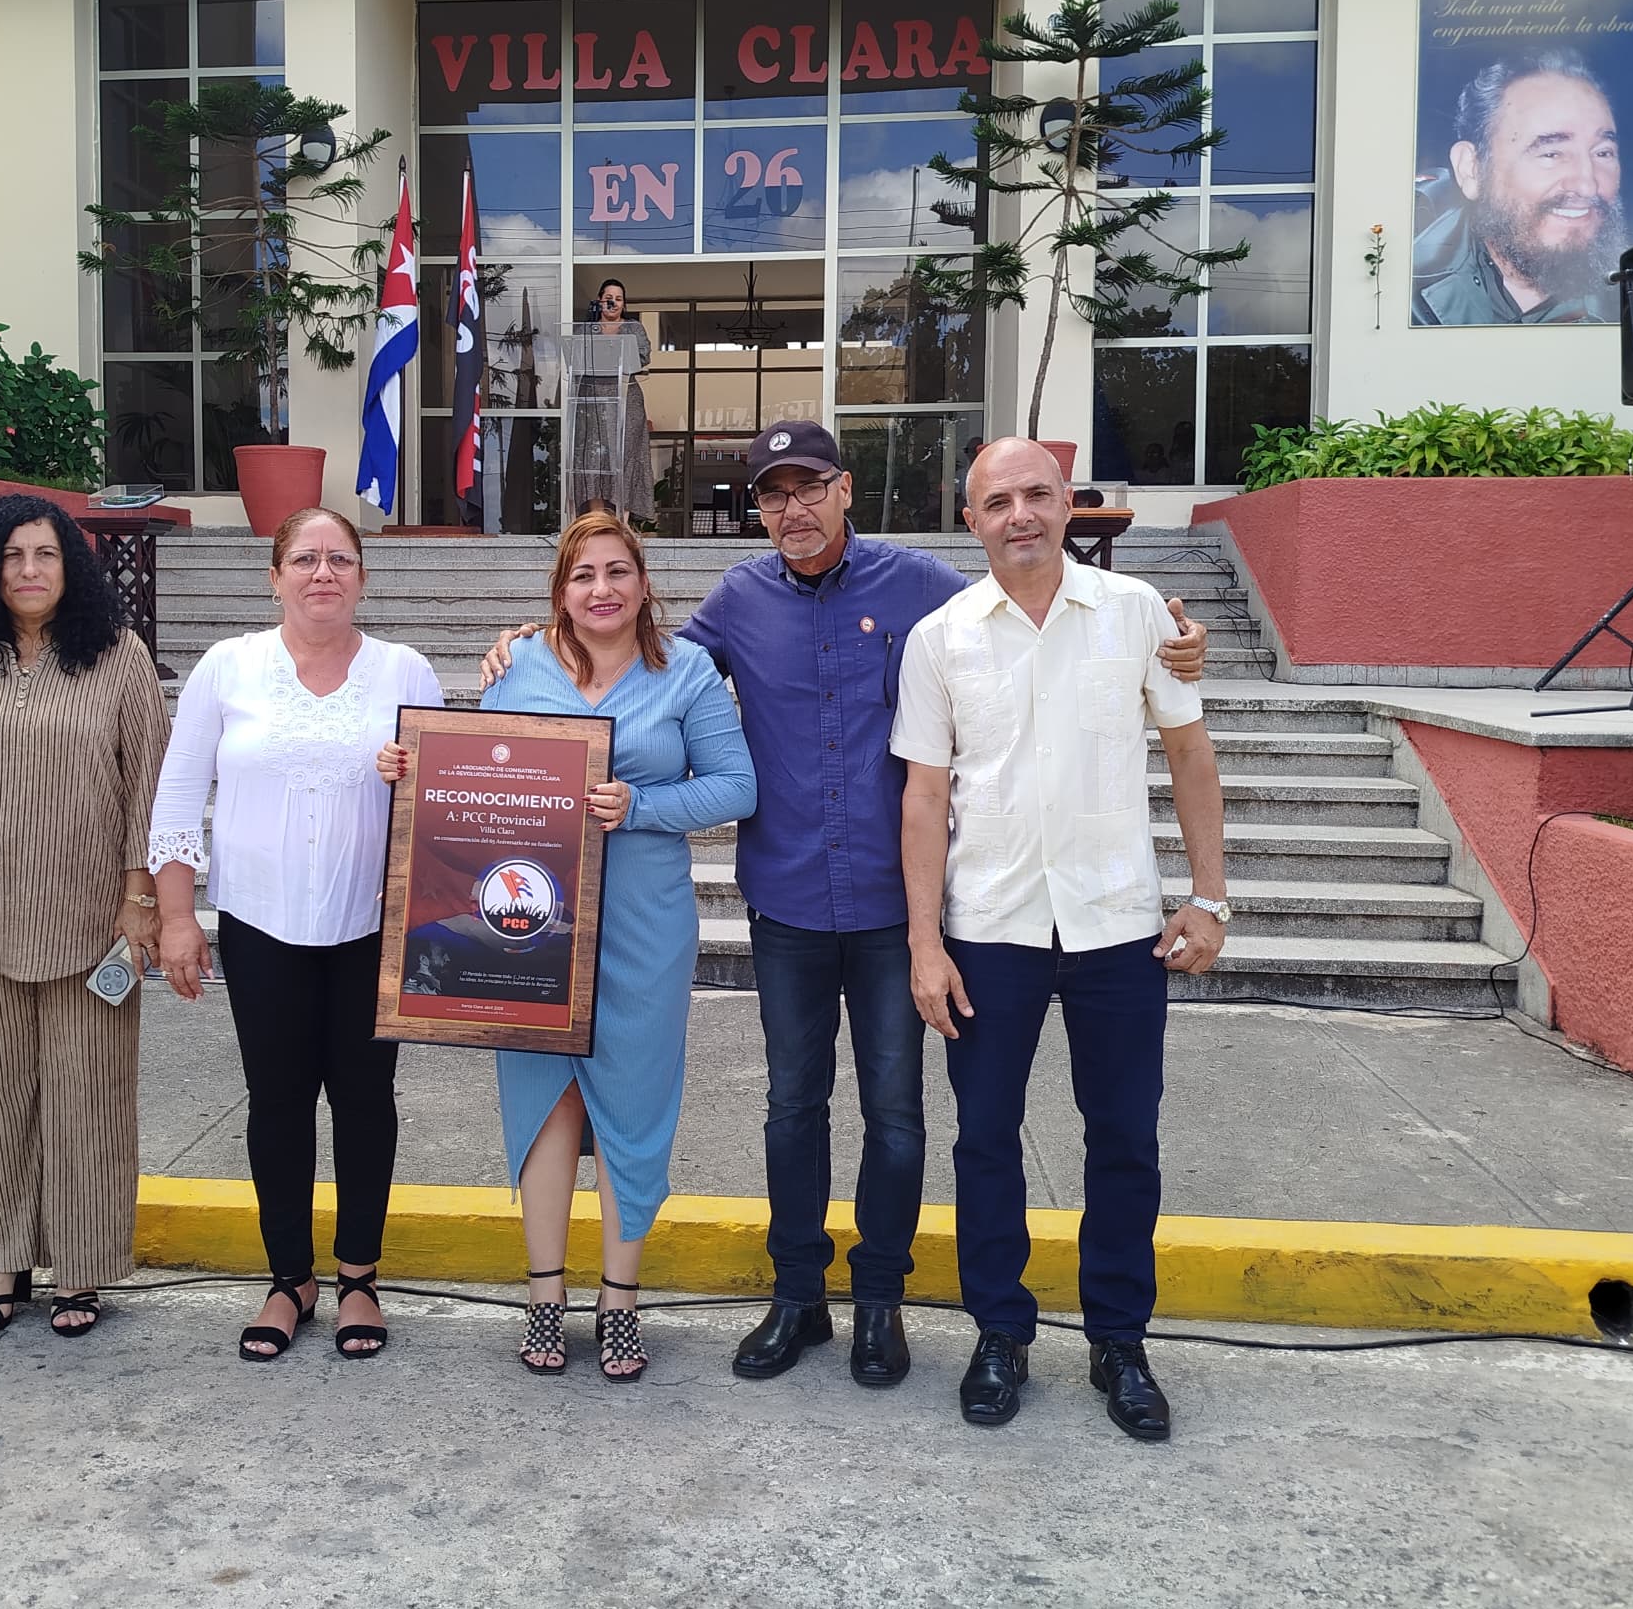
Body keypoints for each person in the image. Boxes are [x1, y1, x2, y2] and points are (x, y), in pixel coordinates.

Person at [479, 420, 1206, 1389]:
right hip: (786, 902)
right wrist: (535, 642)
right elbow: (646, 670)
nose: (792, 509)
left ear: (846, 489)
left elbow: (1021, 600)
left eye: (808, 487)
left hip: (895, 907)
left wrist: (1169, 633)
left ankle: (879, 1303)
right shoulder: (735, 602)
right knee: (792, 1109)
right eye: (772, 495)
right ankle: (797, 1299)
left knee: (897, 1116)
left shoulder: (923, 590)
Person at [893, 438, 1230, 1442]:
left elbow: (1188, 752)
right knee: (985, 1143)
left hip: (1117, 925)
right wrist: (923, 941)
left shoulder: (1137, 619)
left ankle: (1119, 1339)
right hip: (988, 928)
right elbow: (922, 796)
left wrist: (1209, 899)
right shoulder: (940, 637)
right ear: (971, 520)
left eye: (1037, 494)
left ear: (1068, 504)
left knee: (1125, 1140)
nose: (1020, 516)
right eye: (997, 501)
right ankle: (1000, 1331)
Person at [425, 511, 755, 1381]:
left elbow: (737, 784)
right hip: (529, 917)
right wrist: (413, 772)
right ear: (559, 593)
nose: (601, 589)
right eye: (583, 576)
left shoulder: (685, 672)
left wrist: (640, 807)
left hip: (644, 916)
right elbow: (475, 778)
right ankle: (544, 1294)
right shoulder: (520, 666)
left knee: (632, 1105)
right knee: (543, 1099)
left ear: (644, 584)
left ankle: (619, 1300)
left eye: (618, 572)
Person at [151, 507, 444, 1362]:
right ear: (273, 575)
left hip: (370, 925)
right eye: (306, 558)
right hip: (260, 921)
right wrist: (176, 915)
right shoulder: (228, 667)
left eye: (340, 560)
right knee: (277, 1104)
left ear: (362, 576)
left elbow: (445, 798)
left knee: (364, 1104)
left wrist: (410, 775)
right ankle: (290, 1279)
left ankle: (357, 1279)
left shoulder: (405, 670)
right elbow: (176, 793)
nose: (324, 573)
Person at [0, 496, 168, 1341]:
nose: (28, 570)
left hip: (93, 925)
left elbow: (146, 788)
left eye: (45, 554)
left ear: (70, 565)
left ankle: (81, 1270)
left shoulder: (118, 658)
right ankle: (0, 1265)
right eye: (11, 556)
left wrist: (140, 903)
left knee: (90, 1096)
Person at [1412, 49, 1624, 326]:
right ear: (1472, 169)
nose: (1587, 185)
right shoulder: (1400, 288)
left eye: (1603, 153)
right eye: (1551, 153)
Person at [565, 277, 656, 526]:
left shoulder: (634, 328)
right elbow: (574, 355)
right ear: (599, 301)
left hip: (626, 396)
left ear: (624, 304)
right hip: (592, 400)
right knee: (593, 459)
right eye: (609, 298)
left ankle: (621, 523)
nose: (613, 302)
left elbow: (643, 356)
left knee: (625, 456)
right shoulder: (586, 329)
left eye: (618, 298)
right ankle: (596, 519)